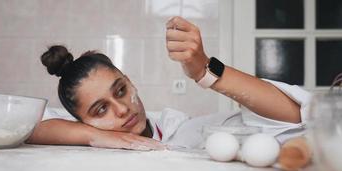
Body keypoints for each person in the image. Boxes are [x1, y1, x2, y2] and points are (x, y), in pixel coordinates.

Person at [27, 17, 311, 151]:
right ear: (79, 121)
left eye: (121, 91)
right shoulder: (75, 134)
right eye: (101, 110)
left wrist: (204, 69)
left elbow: (296, 117)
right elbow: (23, 126)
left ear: (131, 82)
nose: (123, 110)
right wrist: (95, 137)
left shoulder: (178, 130)